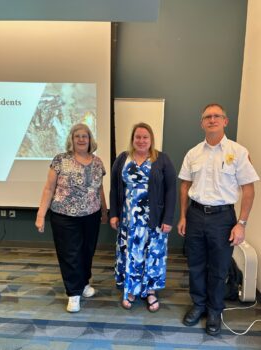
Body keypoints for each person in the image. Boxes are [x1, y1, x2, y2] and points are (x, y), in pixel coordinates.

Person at [177, 103, 259, 336]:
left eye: (217, 116)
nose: (212, 119)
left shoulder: (239, 152)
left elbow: (248, 190)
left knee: (219, 267)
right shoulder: (193, 153)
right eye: (207, 117)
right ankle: (199, 304)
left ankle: (214, 310)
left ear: (225, 121)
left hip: (223, 218)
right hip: (195, 215)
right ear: (202, 123)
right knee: (195, 265)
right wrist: (183, 216)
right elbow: (184, 185)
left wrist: (241, 224)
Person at [35, 123, 107, 313]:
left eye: (85, 136)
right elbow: (49, 188)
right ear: (72, 140)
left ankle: (83, 284)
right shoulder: (60, 160)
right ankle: (73, 293)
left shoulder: (98, 162)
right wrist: (40, 214)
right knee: (70, 253)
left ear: (90, 139)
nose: (82, 139)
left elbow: (99, 189)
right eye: (78, 136)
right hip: (64, 215)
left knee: (87, 251)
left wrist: (105, 211)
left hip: (91, 215)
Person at [110, 122, 176, 312]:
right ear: (133, 139)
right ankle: (131, 289)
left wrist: (168, 219)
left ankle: (150, 292)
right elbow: (115, 188)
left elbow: (171, 190)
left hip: (154, 219)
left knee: (153, 255)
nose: (141, 140)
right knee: (131, 254)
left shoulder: (162, 159)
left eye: (145, 137)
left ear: (151, 139)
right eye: (137, 137)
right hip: (128, 219)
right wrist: (113, 214)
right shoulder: (123, 159)